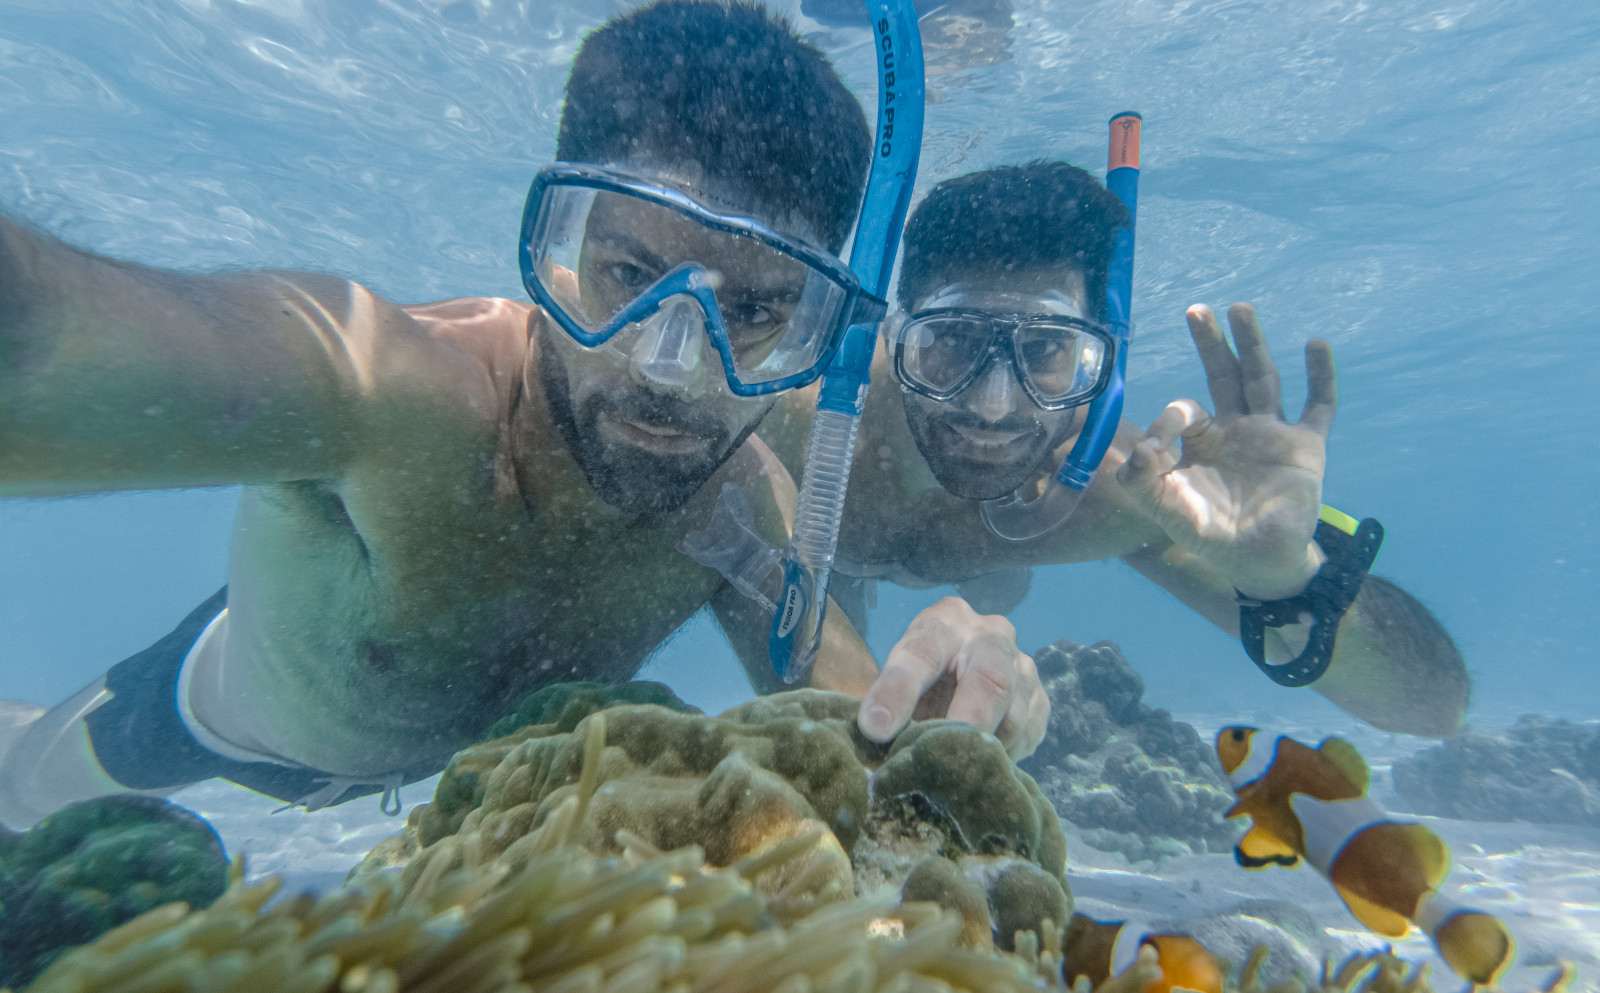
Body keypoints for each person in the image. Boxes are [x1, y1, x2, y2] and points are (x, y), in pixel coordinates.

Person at [0, 0, 1042, 830]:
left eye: (759, 311)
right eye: (627, 275)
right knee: (21, 792)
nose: (672, 371)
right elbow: (47, 346)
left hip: (463, 803)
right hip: (209, 719)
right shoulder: (398, 397)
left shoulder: (740, 512)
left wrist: (956, 714)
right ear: (557, 249)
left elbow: (870, 744)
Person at [763, 160, 1468, 743]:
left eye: (1043, 350)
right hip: (815, 539)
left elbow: (1431, 708)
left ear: (1095, 356)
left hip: (992, 567)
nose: (993, 405)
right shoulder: (788, 419)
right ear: (892, 335)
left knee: (988, 588)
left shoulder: (1121, 488)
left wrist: (1291, 578)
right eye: (951, 343)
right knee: (814, 571)